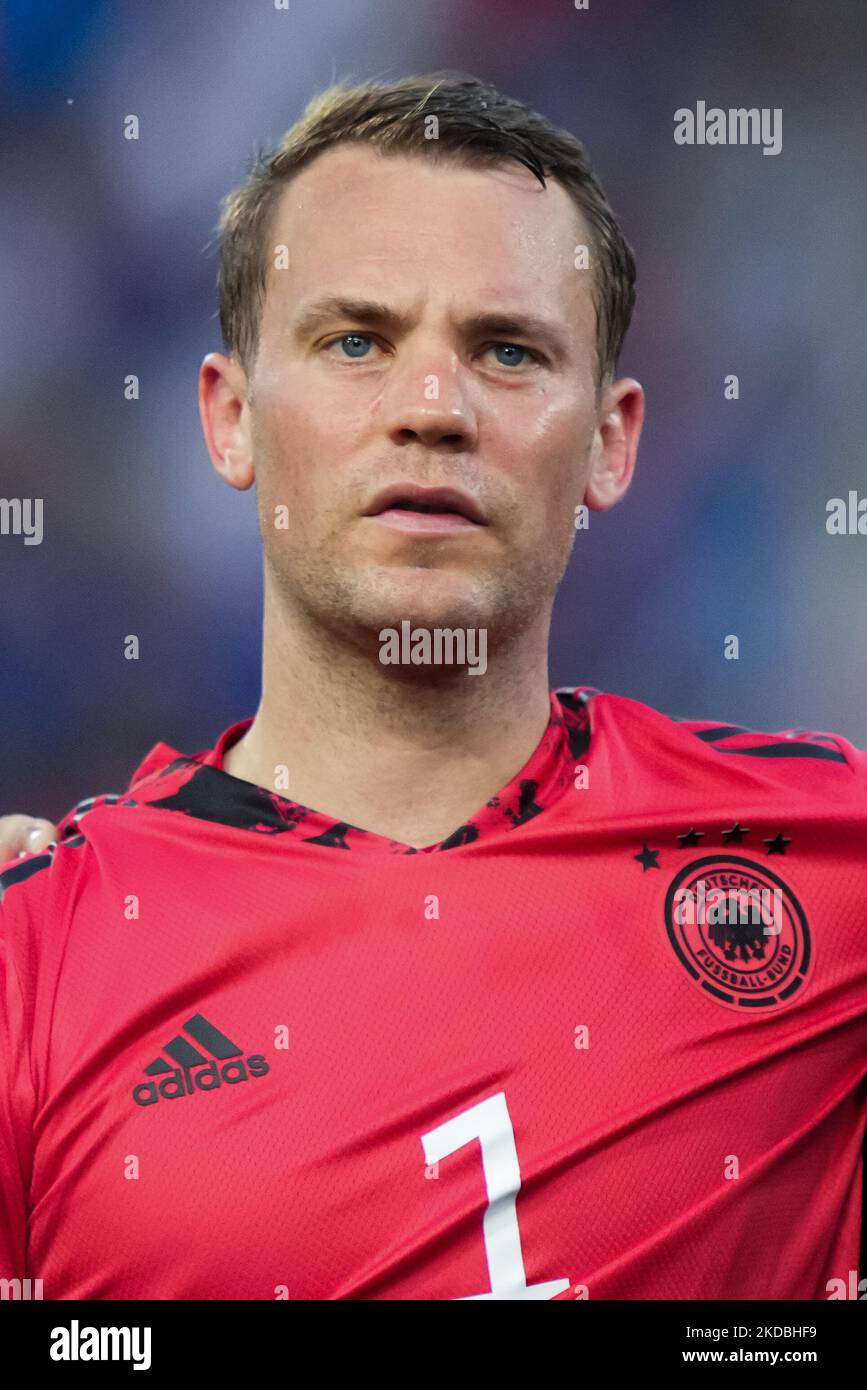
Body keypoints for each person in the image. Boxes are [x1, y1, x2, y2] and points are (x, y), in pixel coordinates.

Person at [1, 72, 864, 1303]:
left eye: (507, 351)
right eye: (356, 340)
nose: (431, 408)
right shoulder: (35, 961)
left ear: (611, 443)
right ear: (231, 418)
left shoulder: (833, 865)